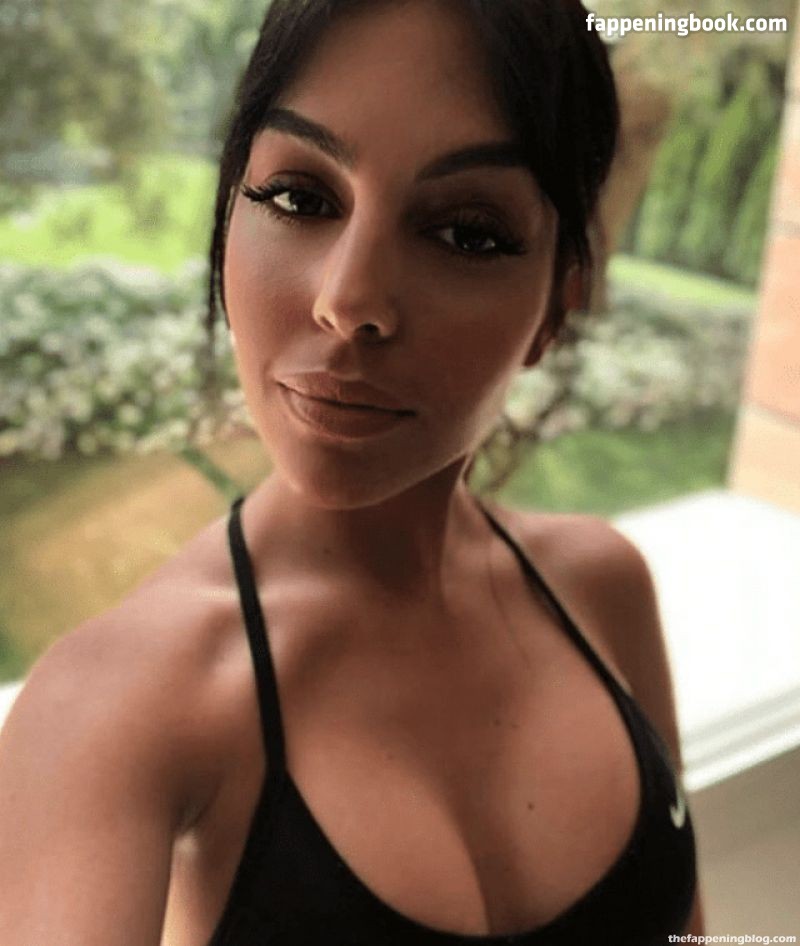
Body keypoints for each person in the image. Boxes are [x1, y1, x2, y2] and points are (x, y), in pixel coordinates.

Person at [0, 0, 704, 942]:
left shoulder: (604, 588)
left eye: (467, 232)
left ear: (557, 307)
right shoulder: (114, 709)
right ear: (227, 218)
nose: (349, 299)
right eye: (299, 198)